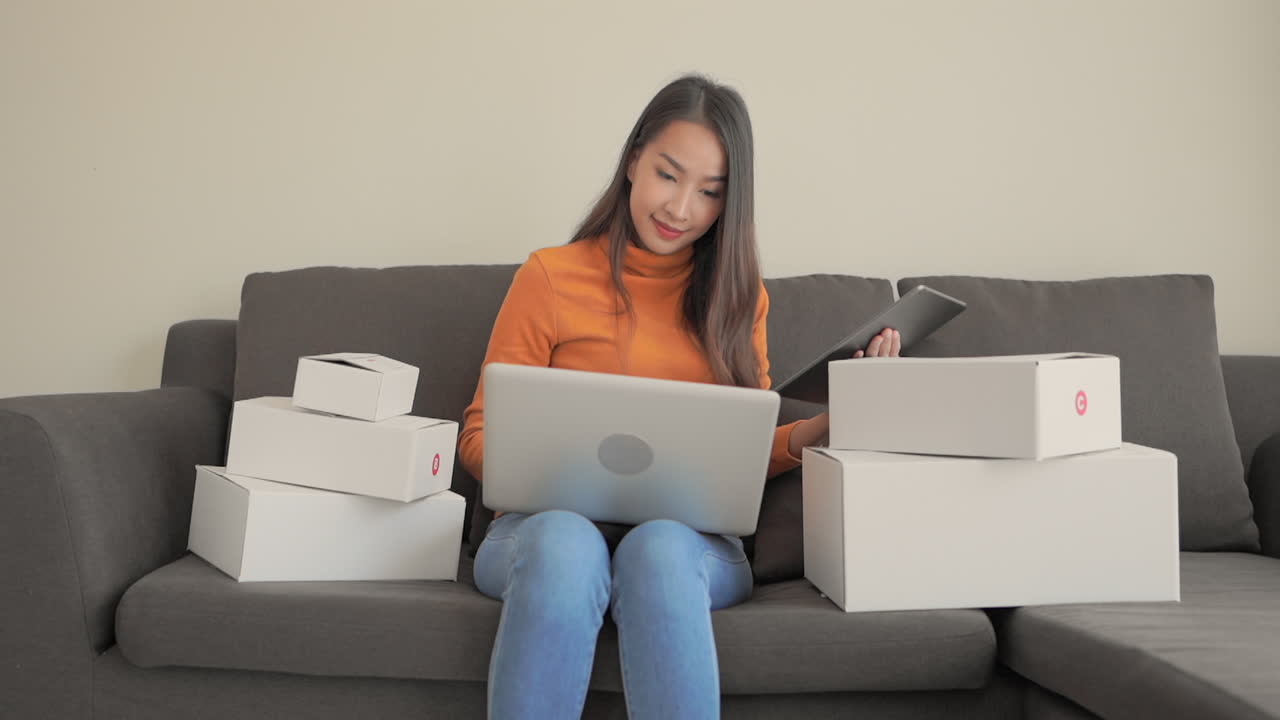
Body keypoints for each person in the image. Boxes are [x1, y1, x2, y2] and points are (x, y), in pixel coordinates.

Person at [458, 73, 901, 720]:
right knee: (565, 542)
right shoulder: (550, 277)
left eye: (710, 192)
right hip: (536, 531)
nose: (681, 209)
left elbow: (744, 447)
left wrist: (826, 428)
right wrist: (544, 478)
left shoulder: (739, 298)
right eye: (669, 175)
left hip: (691, 542)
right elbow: (478, 438)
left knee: (659, 548)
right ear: (634, 158)